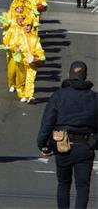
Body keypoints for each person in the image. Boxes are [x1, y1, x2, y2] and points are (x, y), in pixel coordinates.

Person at [37, 61, 97, 209]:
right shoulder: (94, 98)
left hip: (62, 143)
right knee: (83, 186)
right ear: (86, 76)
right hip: (85, 144)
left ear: (68, 76)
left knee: (64, 183)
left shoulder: (59, 95)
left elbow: (48, 122)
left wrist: (43, 144)